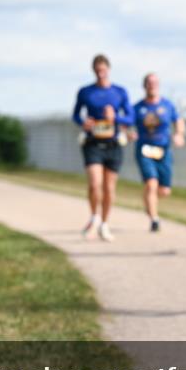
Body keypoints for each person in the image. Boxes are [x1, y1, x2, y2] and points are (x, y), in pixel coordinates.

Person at [73, 55, 134, 241]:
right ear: (93, 71)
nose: (100, 73)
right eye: (97, 70)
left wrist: (115, 117)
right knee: (95, 183)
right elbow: (76, 115)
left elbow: (130, 118)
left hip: (113, 143)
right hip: (92, 143)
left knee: (109, 187)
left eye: (103, 70)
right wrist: (84, 122)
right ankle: (94, 217)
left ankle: (105, 224)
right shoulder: (85, 92)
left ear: (108, 69)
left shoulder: (119, 92)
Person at [132, 73, 185, 233]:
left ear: (158, 85)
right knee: (151, 183)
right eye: (148, 83)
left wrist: (179, 134)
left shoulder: (167, 105)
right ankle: (154, 219)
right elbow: (126, 123)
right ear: (144, 85)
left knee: (164, 191)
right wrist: (129, 132)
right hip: (144, 150)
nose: (152, 85)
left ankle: (149, 199)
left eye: (154, 83)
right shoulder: (137, 107)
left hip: (164, 149)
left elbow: (179, 121)